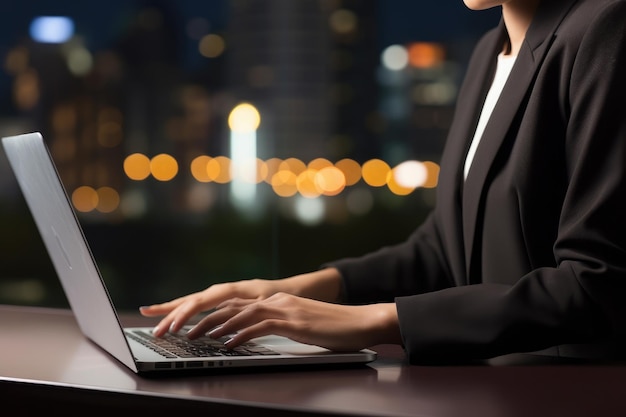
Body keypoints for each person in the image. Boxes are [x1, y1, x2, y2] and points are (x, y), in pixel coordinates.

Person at [140, 0, 626, 364]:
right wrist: (299, 289)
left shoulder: (608, 27)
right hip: (490, 388)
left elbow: (598, 285)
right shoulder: (488, 52)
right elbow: (444, 250)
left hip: (571, 393)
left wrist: (373, 321)